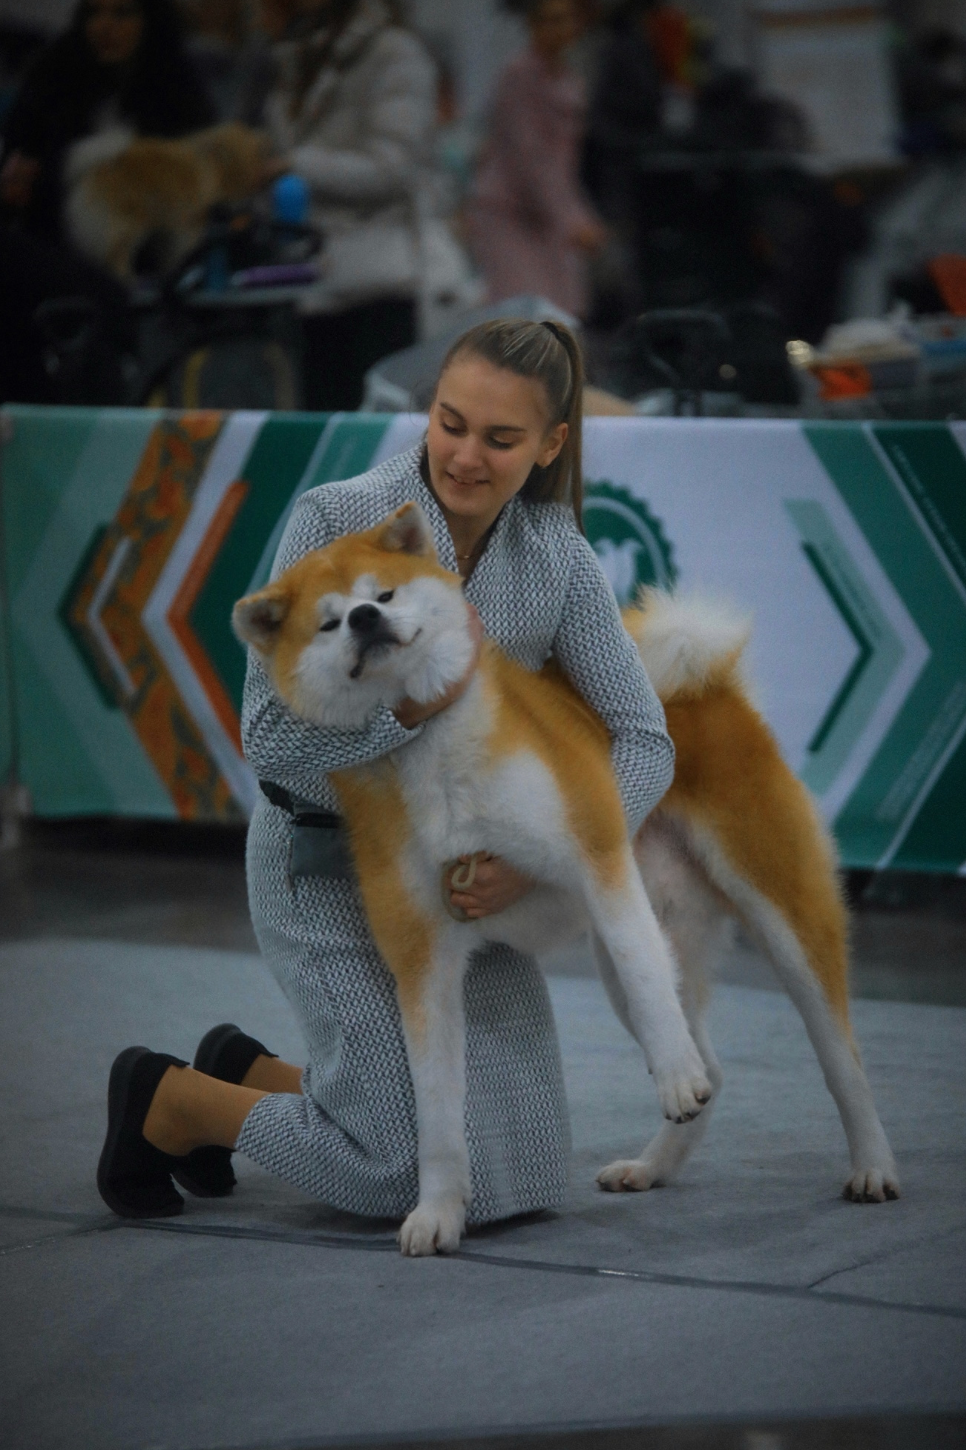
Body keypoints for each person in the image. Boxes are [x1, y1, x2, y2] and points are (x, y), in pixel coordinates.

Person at [96, 318, 675, 1238]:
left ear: (551, 445)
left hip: (467, 893)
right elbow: (269, 739)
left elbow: (646, 740)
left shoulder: (554, 549)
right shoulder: (337, 515)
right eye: (450, 423)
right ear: (427, 410)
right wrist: (407, 715)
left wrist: (543, 861)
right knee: (395, 1173)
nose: (465, 456)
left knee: (520, 1173)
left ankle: (253, 1075)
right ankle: (172, 1101)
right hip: (322, 870)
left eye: (499, 438)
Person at [260, 0, 437, 410]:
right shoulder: (292, 55)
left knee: (373, 448)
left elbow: (395, 168)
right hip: (304, 285)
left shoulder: (394, 53)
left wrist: (293, 164)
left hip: (372, 287)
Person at [0, 0, 214, 241]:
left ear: (150, 20)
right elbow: (21, 156)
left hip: (150, 244)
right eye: (94, 12)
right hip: (57, 243)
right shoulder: (53, 74)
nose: (104, 26)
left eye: (122, 13)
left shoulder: (177, 85)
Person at [466, 0, 606, 319]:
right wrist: (573, 221)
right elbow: (530, 158)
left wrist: (579, 215)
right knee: (524, 316)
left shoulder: (569, 78)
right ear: (532, 25)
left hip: (546, 214)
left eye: (564, 20)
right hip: (509, 211)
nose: (556, 30)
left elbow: (563, 164)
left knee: (563, 312)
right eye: (548, 21)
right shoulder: (518, 76)